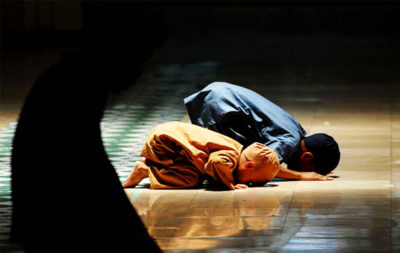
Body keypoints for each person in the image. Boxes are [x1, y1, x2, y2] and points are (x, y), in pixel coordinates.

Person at [184, 82, 340, 181]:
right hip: (222, 106)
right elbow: (263, 165)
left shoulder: (297, 130)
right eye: (310, 169)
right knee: (234, 165)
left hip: (221, 93)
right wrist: (300, 175)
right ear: (307, 157)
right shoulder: (289, 142)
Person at [123, 121, 280, 190]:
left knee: (196, 169)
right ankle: (145, 171)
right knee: (191, 179)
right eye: (251, 181)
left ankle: (154, 161)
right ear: (249, 165)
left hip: (167, 136)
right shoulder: (230, 156)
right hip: (166, 143)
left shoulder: (235, 147)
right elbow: (217, 163)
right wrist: (229, 184)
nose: (248, 184)